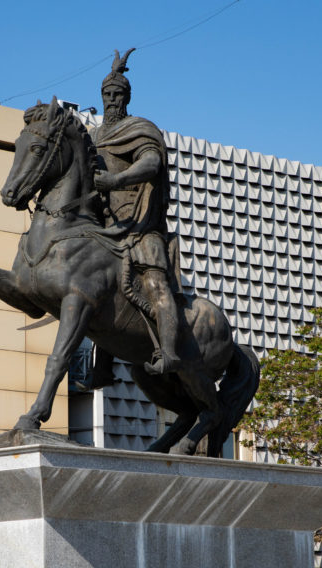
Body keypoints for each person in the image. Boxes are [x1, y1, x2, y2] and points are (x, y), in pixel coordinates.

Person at [90, 48, 182, 379]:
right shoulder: (95, 135)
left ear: (127, 97)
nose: (111, 100)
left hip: (139, 222)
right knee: (89, 285)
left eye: (117, 94)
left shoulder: (138, 128)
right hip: (104, 224)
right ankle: (102, 363)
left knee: (155, 283)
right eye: (107, 94)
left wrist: (116, 179)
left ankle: (169, 352)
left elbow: (150, 163)